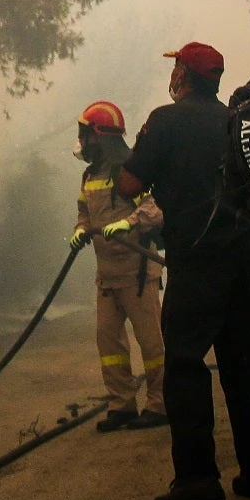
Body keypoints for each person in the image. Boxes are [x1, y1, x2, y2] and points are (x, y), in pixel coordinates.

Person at [119, 42, 250, 500]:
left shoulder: (166, 120)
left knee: (186, 364)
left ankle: (196, 478)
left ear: (184, 76)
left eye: (175, 67)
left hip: (196, 259)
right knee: (247, 362)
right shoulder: (236, 120)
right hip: (244, 255)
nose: (171, 75)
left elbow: (129, 185)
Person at [67, 101, 169, 432]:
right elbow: (85, 210)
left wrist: (128, 223)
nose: (81, 142)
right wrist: (81, 229)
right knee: (109, 343)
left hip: (138, 274)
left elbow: (155, 211)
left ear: (99, 136)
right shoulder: (90, 174)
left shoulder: (128, 171)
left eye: (85, 134)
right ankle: (121, 404)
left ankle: (160, 404)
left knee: (152, 344)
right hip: (107, 277)